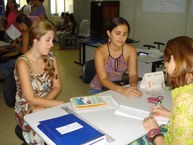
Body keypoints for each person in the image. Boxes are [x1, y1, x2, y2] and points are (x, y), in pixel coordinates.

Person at [132, 36, 193, 145]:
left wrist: (154, 132)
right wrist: (171, 114)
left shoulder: (185, 99)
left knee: (132, 138)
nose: (165, 66)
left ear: (173, 59)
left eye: (165, 62)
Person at [14, 20, 65, 144]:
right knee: (47, 134)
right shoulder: (23, 63)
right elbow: (30, 99)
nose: (51, 44)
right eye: (47, 40)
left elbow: (57, 87)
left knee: (65, 128)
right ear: (35, 40)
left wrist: (44, 104)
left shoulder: (51, 58)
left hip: (45, 101)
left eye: (52, 40)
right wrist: (60, 103)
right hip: (27, 107)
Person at [89, 17, 142, 97]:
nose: (121, 38)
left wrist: (133, 87)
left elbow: (133, 75)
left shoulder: (131, 50)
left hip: (118, 86)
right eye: (117, 33)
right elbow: (103, 79)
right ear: (109, 33)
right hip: (98, 89)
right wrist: (122, 90)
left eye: (125, 34)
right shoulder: (100, 51)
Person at [0, 14, 32, 79]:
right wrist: (21, 39)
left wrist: (16, 45)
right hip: (32, 58)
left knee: (3, 64)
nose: (18, 27)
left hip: (27, 61)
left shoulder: (25, 32)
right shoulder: (30, 29)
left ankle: (10, 82)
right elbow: (29, 42)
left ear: (21, 24)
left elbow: (24, 51)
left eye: (18, 25)